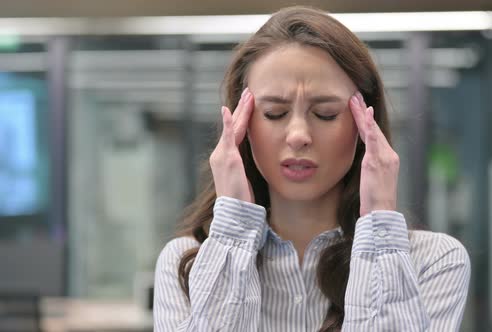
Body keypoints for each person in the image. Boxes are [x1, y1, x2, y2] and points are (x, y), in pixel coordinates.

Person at [153, 6, 470, 332]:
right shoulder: (187, 264)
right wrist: (232, 228)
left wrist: (379, 232)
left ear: (365, 125)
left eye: (326, 113)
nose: (299, 136)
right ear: (241, 125)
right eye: (275, 113)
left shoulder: (433, 262)